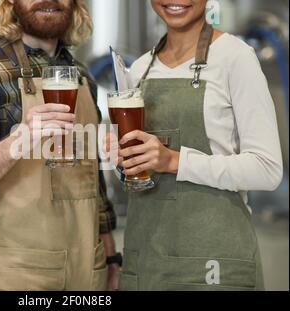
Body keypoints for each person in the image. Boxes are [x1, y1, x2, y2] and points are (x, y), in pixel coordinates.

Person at [0, 0, 119, 291]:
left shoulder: (83, 78)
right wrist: (19, 141)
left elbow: (95, 187)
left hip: (87, 278)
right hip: (13, 278)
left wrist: (111, 262)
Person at [106, 0, 283, 291]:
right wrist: (121, 159)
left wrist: (175, 161)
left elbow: (267, 169)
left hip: (214, 264)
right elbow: (136, 177)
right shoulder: (139, 71)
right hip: (149, 262)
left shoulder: (235, 58)